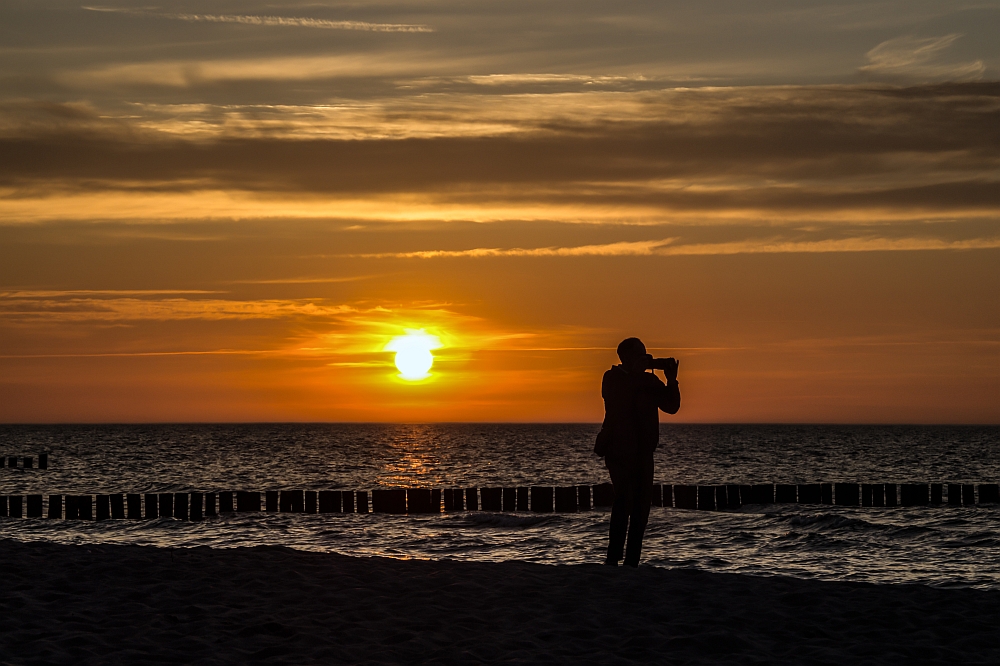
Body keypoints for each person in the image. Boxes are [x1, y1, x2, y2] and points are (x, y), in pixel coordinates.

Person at [597, 337, 680, 567]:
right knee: (624, 501)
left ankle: (632, 561)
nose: (647, 359)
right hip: (618, 450)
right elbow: (616, 400)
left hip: (643, 452)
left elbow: (672, 407)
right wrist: (635, 374)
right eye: (641, 354)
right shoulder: (612, 378)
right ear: (627, 357)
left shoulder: (648, 380)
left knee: (641, 509)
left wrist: (672, 381)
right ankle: (613, 558)